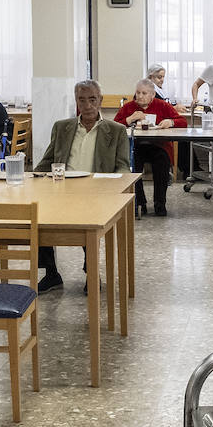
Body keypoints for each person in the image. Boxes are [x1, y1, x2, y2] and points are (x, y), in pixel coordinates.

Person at [33, 80, 129, 293]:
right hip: (61, 189)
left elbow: (123, 167)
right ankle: (51, 273)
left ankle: (91, 272)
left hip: (96, 192)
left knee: (88, 220)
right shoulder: (62, 127)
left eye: (92, 99)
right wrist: (33, 179)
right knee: (37, 217)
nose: (87, 105)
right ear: (76, 101)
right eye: (82, 100)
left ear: (100, 101)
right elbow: (47, 160)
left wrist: (112, 186)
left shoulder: (116, 131)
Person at [114, 79, 182, 216]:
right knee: (133, 166)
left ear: (152, 95)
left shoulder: (162, 105)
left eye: (144, 93)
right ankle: (140, 203)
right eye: (138, 92)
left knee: (162, 163)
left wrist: (171, 122)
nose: (139, 96)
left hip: (158, 145)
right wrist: (129, 119)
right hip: (137, 146)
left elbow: (182, 121)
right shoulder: (129, 107)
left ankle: (160, 203)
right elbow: (114, 126)